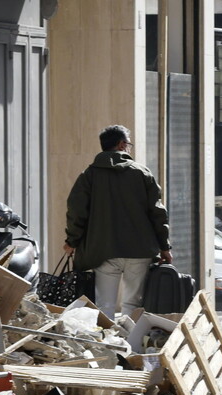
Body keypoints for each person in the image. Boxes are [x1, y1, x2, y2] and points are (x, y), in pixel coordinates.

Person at [64, 125, 171, 318]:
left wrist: (72, 241)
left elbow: (76, 211)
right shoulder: (142, 173)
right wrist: (165, 247)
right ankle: (130, 344)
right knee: (133, 303)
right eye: (128, 144)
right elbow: (158, 213)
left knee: (105, 304)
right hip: (140, 249)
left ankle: (109, 346)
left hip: (103, 250)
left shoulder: (89, 175)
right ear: (122, 144)